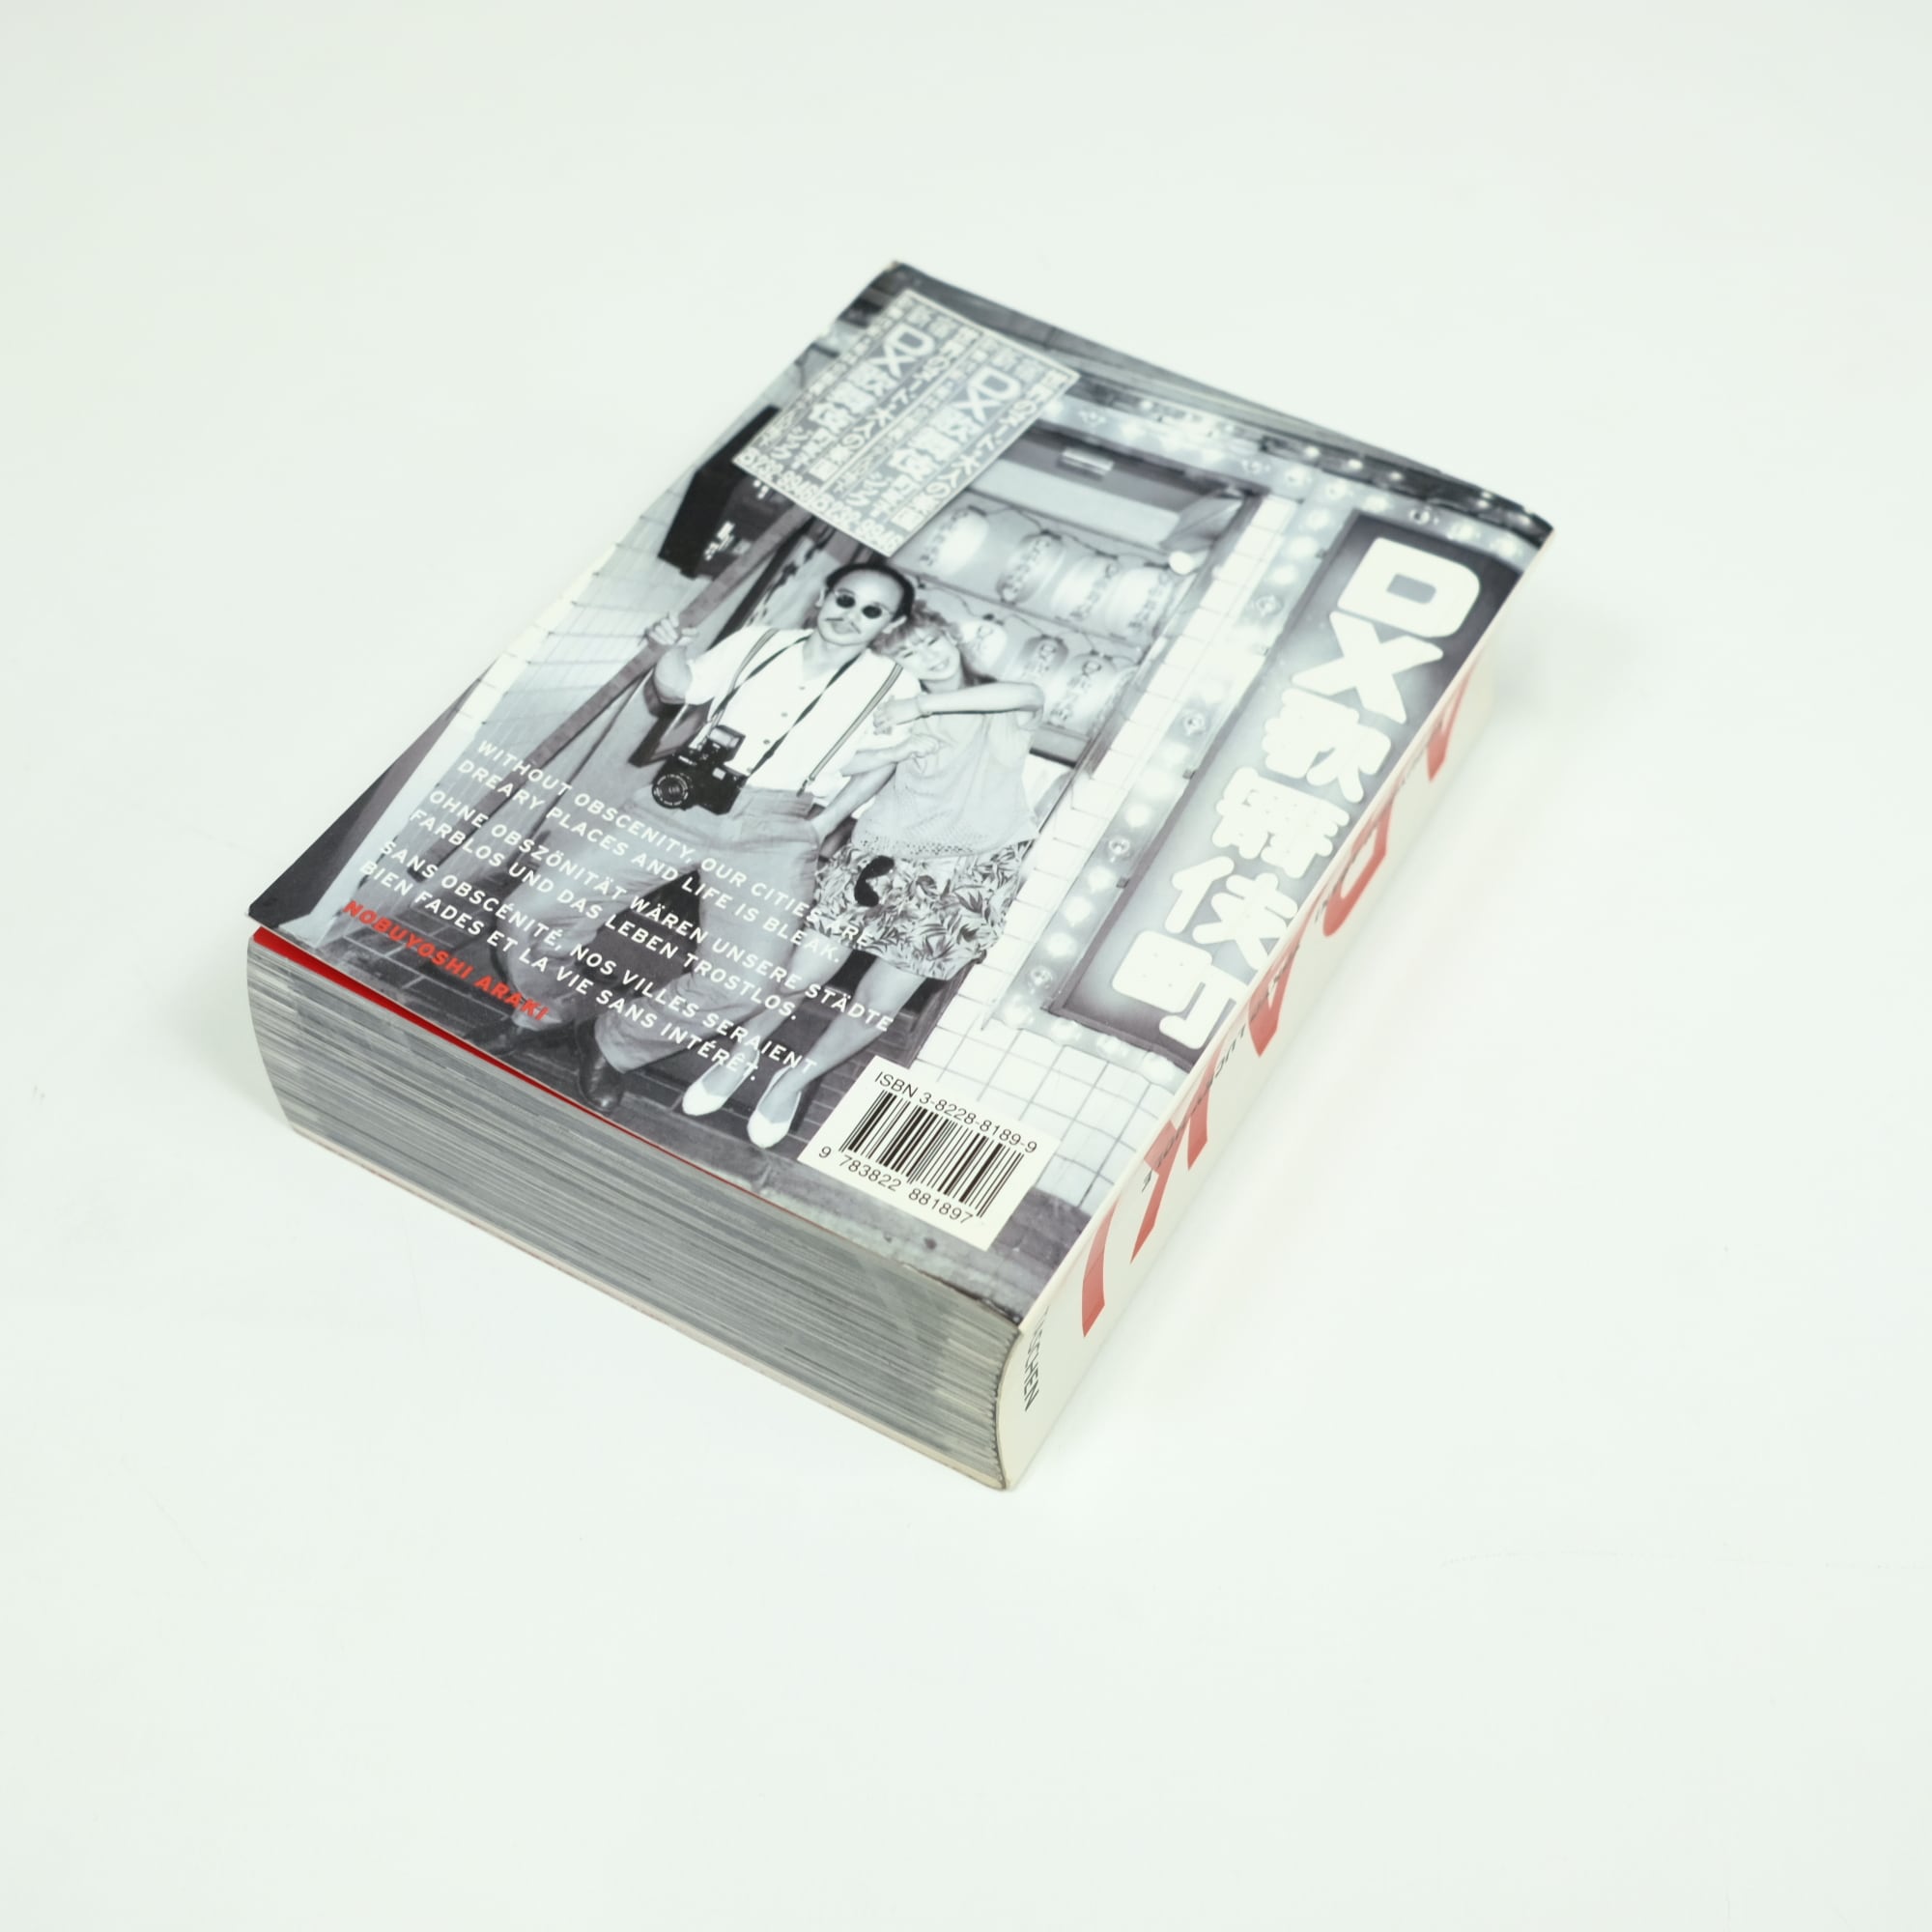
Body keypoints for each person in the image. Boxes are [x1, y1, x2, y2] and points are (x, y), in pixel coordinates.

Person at [482, 562, 923, 1112]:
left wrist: (820, 826)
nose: (851, 615)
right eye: (845, 598)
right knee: (529, 911)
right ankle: (547, 1010)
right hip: (682, 800)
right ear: (824, 596)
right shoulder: (760, 641)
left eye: (872, 611)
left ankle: (613, 1043)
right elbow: (681, 688)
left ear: (890, 624)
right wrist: (670, 648)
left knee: (744, 984)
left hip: (777, 828)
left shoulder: (896, 686)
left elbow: (877, 762)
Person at [676, 616, 1045, 1148]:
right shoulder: (888, 704)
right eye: (910, 653)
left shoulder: (999, 704)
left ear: (952, 638)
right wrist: (884, 759)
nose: (929, 656)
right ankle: (742, 1050)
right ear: (894, 662)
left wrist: (922, 707)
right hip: (884, 853)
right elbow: (844, 761)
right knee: (798, 973)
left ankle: (792, 1082)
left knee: (878, 1003)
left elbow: (1029, 693)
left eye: (933, 642)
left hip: (970, 873)